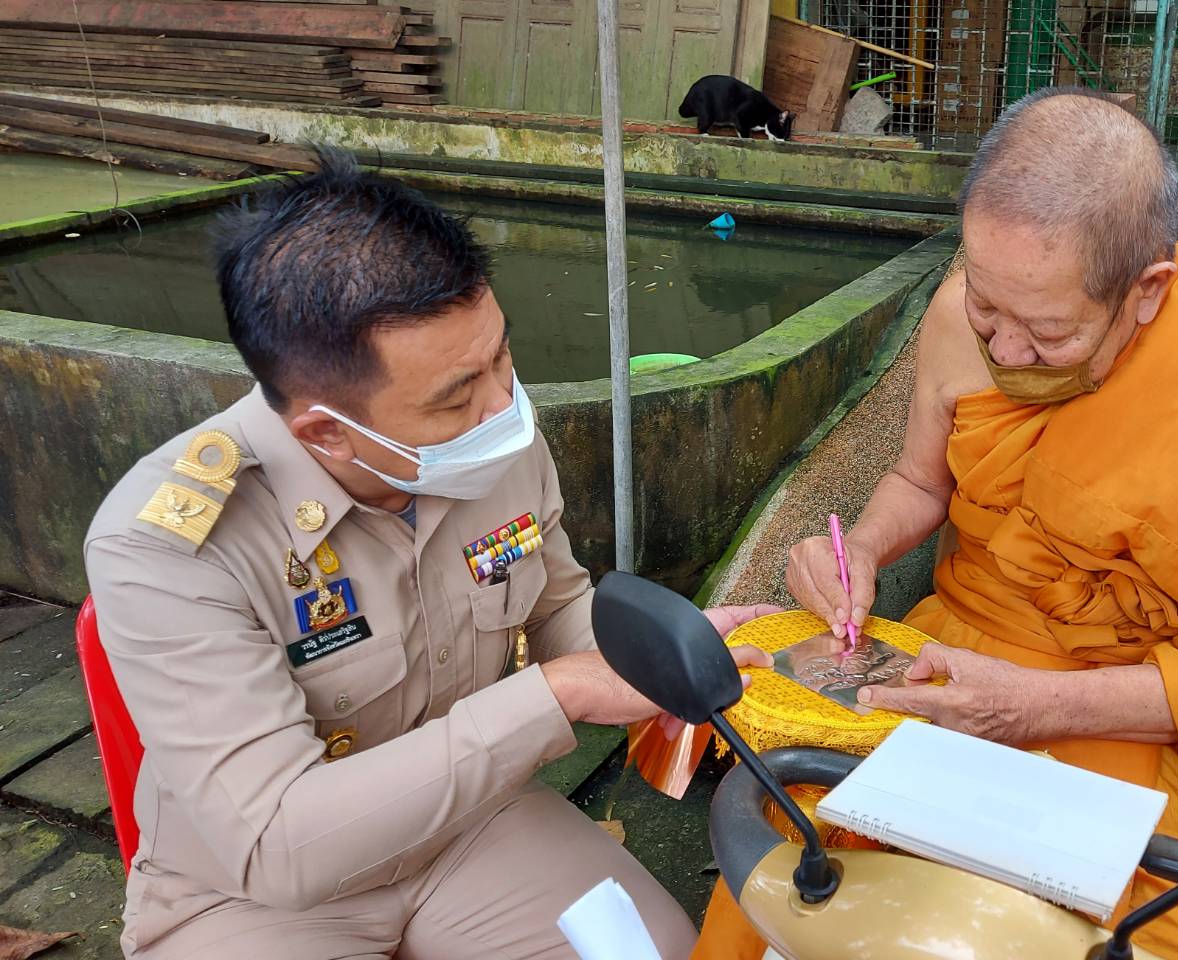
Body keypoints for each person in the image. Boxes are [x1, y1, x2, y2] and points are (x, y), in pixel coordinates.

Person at [694, 88, 1178, 959]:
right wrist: (864, 547)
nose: (1008, 353)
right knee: (793, 880)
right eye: (988, 314)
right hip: (953, 664)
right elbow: (921, 477)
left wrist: (1037, 706)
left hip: (1152, 716)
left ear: (1148, 290)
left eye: (1048, 333)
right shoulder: (968, 306)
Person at [83, 151, 775, 960]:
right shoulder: (168, 545)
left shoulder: (493, 438)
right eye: (455, 396)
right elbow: (276, 843)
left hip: (472, 825)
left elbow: (555, 608)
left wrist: (660, 654)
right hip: (250, 897)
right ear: (326, 431)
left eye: (501, 357)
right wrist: (558, 695)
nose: (501, 406)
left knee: (651, 952)